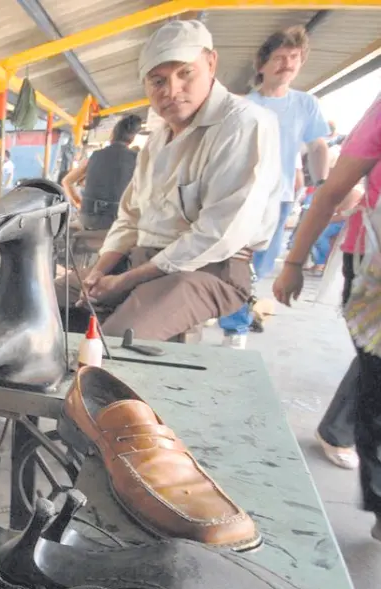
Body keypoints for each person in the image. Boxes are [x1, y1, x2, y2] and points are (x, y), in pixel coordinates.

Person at [55, 19, 280, 342]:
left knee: (116, 342)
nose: (171, 91)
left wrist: (127, 280)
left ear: (211, 63)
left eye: (185, 73)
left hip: (209, 269)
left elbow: (217, 235)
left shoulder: (243, 125)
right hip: (142, 261)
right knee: (42, 307)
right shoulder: (157, 141)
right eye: (158, 81)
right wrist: (99, 271)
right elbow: (130, 217)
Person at [274, 92, 381, 540]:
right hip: (375, 266)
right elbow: (332, 189)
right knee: (376, 372)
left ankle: (339, 431)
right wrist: (294, 262)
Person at [218, 26, 331, 349]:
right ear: (262, 64)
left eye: (294, 58)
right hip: (244, 197)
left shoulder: (306, 104)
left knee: (262, 265)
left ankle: (236, 307)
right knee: (237, 262)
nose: (287, 64)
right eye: (280, 58)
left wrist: (322, 186)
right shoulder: (242, 105)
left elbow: (318, 147)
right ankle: (235, 326)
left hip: (280, 199)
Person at [61, 114, 142, 231]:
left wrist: (79, 203)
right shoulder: (137, 158)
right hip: (117, 221)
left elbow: (66, 181)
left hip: (87, 218)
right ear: (132, 139)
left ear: (112, 135)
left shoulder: (95, 156)